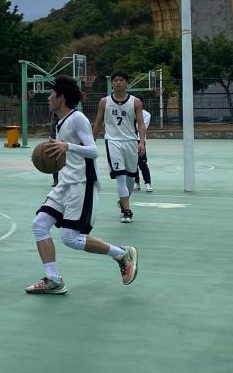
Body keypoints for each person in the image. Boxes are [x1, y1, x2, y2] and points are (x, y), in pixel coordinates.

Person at [25, 75, 138, 294]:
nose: (48, 98)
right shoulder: (58, 122)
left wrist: (67, 146)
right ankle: (54, 279)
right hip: (64, 183)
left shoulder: (77, 119)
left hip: (82, 184)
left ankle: (121, 254)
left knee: (70, 238)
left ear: (61, 97)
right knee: (39, 224)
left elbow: (93, 150)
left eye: (52, 94)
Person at [92, 71, 146, 223]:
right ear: (112, 83)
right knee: (120, 176)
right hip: (113, 141)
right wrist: (91, 142)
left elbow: (141, 123)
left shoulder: (135, 102)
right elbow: (98, 123)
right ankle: (127, 211)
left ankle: (123, 201)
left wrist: (141, 142)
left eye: (121, 80)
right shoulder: (104, 102)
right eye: (115, 80)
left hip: (130, 141)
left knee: (131, 179)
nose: (118, 82)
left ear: (126, 83)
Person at [134, 108, 153, 192]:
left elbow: (142, 127)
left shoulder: (146, 114)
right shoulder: (129, 111)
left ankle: (148, 183)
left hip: (140, 139)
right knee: (132, 163)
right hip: (130, 139)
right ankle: (136, 182)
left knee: (142, 163)